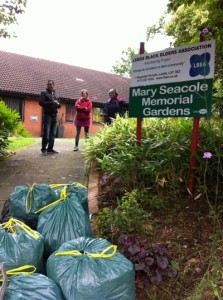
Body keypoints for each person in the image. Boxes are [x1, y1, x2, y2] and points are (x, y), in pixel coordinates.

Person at [39, 80, 61, 155]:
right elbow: (41, 103)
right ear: (47, 85)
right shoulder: (44, 93)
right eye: (48, 84)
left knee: (53, 133)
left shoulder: (56, 95)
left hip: (54, 115)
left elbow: (59, 105)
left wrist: (58, 104)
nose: (49, 85)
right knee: (46, 133)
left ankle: (50, 148)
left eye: (51, 84)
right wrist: (52, 102)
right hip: (47, 115)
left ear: (53, 85)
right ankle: (44, 149)